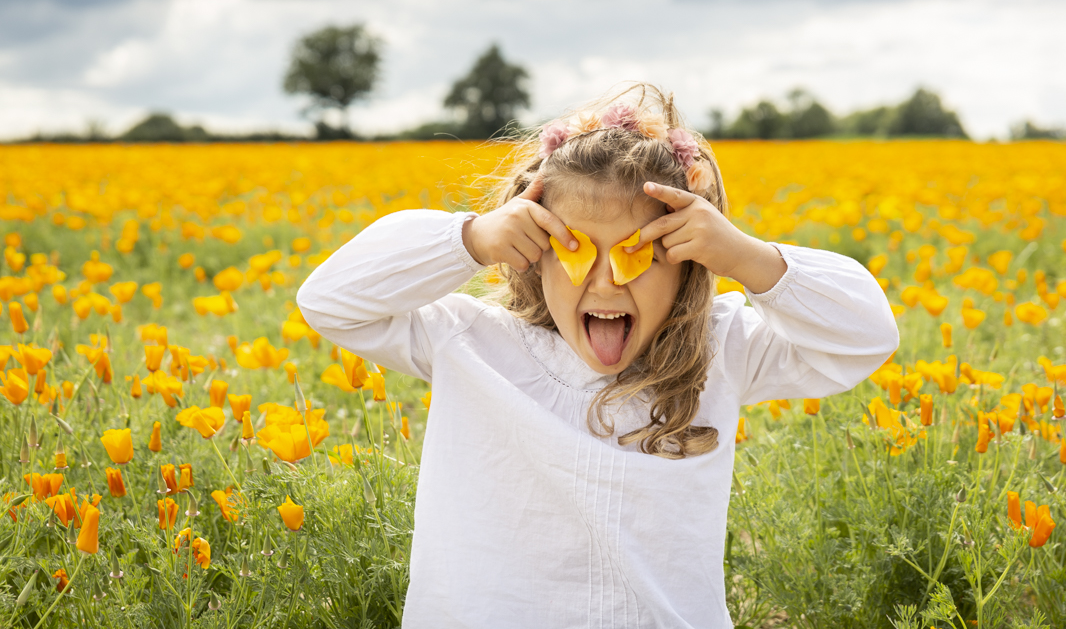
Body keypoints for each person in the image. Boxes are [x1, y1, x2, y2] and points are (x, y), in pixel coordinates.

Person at [296, 82, 899, 628]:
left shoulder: (719, 350)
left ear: (691, 257)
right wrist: (471, 239)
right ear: (530, 248)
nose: (608, 283)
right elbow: (329, 300)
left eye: (641, 253)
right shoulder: (470, 341)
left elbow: (866, 337)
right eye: (575, 250)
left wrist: (746, 258)